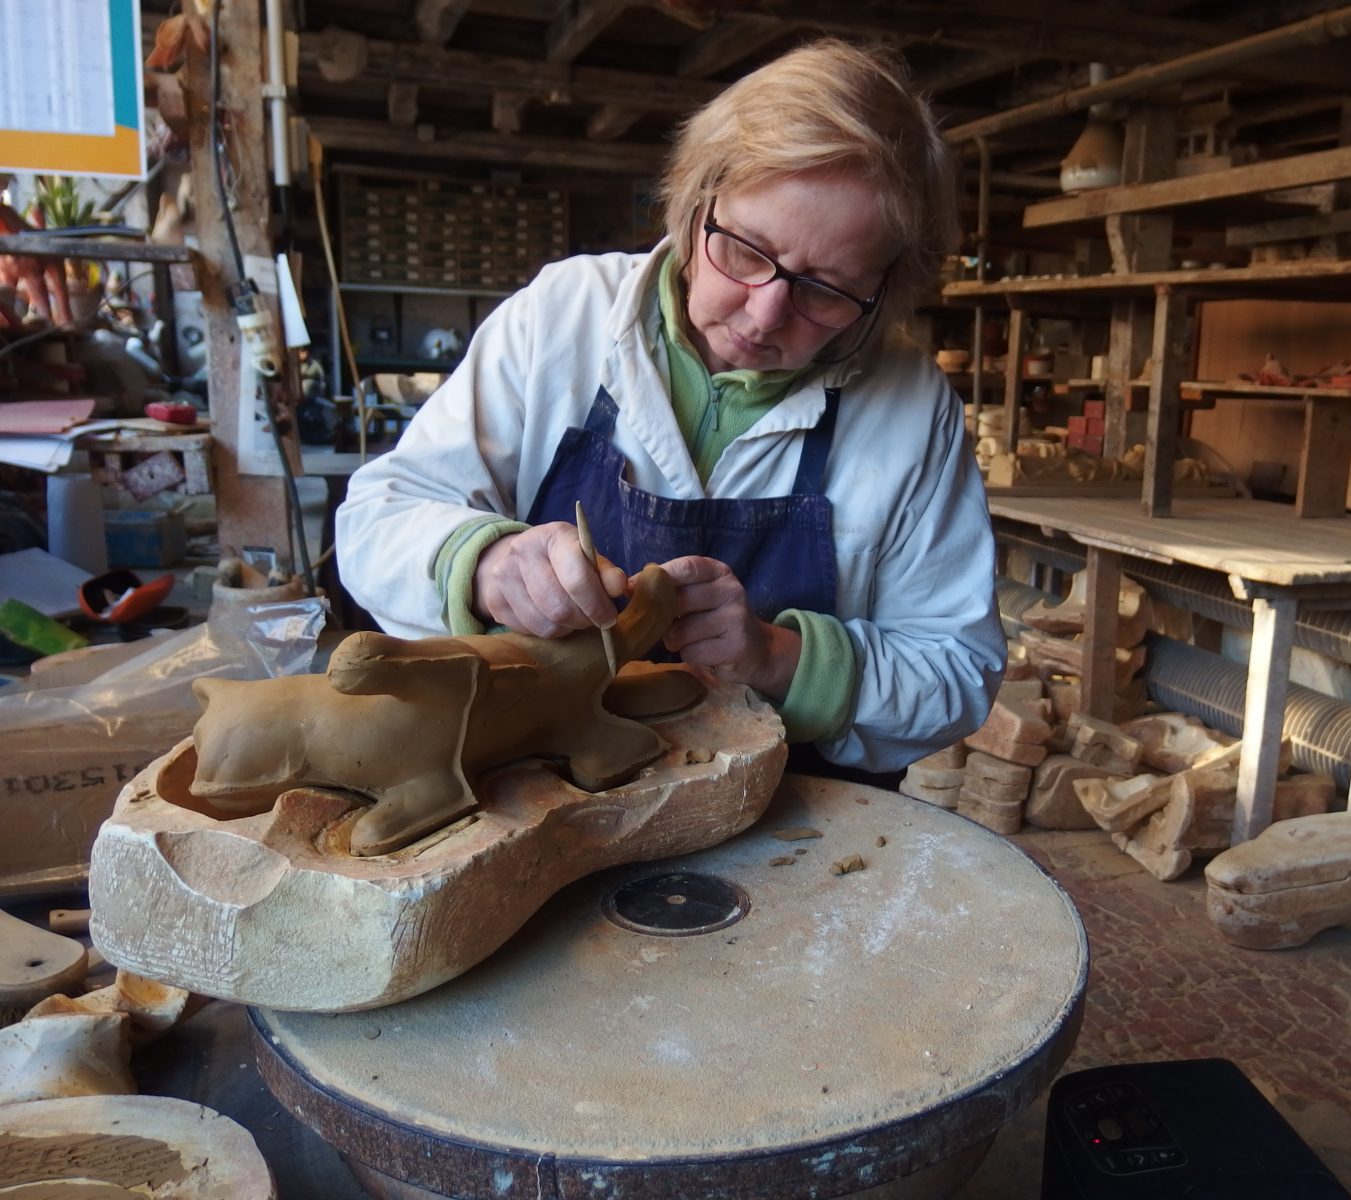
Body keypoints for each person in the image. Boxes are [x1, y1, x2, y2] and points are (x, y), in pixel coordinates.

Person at [335, 39, 1004, 773]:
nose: (765, 314)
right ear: (696, 204)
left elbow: (957, 669)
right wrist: (483, 561)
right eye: (748, 251)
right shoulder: (565, 316)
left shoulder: (910, 405)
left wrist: (781, 658)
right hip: (541, 796)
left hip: (795, 828)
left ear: (881, 291)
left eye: (826, 289)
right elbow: (377, 519)